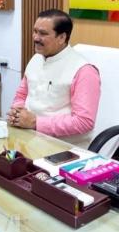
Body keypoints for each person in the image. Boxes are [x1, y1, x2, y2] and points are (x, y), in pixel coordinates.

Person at [8, 9, 100, 146]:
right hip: (28, 138)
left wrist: (36, 122)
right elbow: (22, 94)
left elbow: (84, 122)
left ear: (62, 37)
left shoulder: (84, 71)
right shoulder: (36, 58)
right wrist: (18, 112)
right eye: (35, 31)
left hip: (63, 147)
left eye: (43, 33)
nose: (35, 38)